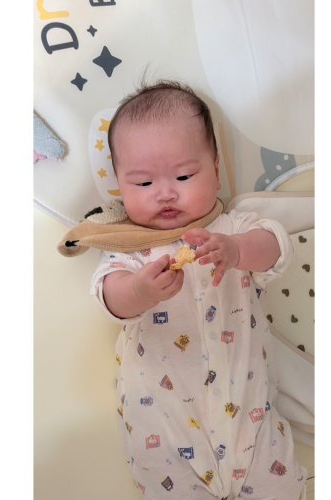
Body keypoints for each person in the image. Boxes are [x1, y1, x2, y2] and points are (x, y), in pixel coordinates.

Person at [90, 80, 307, 500]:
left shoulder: (233, 227)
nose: (165, 193)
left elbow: (277, 247)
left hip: (250, 415)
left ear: (216, 167)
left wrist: (237, 250)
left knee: (278, 484)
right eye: (142, 183)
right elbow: (108, 297)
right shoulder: (129, 247)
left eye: (184, 175)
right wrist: (139, 290)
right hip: (163, 424)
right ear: (119, 183)